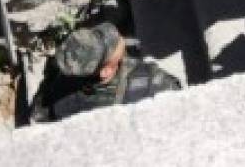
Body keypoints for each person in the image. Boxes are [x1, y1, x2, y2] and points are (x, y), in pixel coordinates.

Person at [31, 23, 181, 122]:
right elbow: (177, 95)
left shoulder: (62, 70)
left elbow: (39, 113)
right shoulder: (149, 83)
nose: (118, 38)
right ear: (106, 71)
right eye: (113, 45)